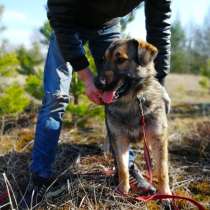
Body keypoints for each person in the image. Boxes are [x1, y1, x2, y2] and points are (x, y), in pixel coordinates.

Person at [26, 0, 172, 206]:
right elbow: (60, 16)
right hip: (68, 24)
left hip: (108, 25)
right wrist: (86, 78)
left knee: (114, 93)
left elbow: (159, 26)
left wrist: (159, 83)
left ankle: (125, 169)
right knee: (55, 98)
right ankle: (39, 177)